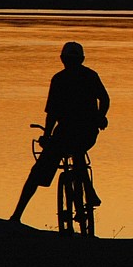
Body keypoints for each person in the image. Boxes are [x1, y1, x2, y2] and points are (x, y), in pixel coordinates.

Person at [10, 41, 110, 223]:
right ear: (82, 59)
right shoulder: (88, 76)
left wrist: (47, 135)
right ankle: (89, 192)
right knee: (74, 156)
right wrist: (100, 116)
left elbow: (52, 113)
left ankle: (16, 216)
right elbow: (104, 99)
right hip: (82, 132)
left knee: (38, 172)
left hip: (71, 133)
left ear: (62, 59)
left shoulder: (60, 79)